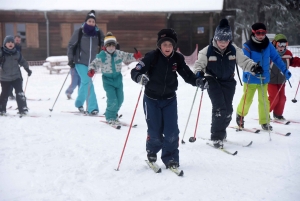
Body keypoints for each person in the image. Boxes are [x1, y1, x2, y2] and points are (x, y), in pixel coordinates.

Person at [131, 28, 199, 169]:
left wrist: (197, 81)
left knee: (172, 131)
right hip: (151, 99)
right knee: (155, 129)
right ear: (159, 45)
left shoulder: (177, 59)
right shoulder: (152, 57)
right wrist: (139, 77)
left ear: (174, 46)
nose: (167, 48)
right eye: (164, 45)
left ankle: (171, 157)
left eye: (170, 45)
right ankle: (152, 150)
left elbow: (187, 74)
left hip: (169, 100)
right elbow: (136, 71)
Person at [194, 18, 261, 148]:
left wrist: (253, 67)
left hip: (229, 82)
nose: (223, 43)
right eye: (220, 40)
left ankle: (221, 130)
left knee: (228, 110)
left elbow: (244, 61)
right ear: (215, 38)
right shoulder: (207, 51)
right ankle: (216, 136)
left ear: (229, 39)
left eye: (226, 40)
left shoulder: (234, 49)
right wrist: (199, 76)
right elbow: (199, 65)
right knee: (220, 108)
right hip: (212, 80)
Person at [236, 23, 292, 131]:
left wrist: (285, 70)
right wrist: (251, 71)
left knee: (264, 101)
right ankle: (240, 115)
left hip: (264, 78)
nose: (261, 35)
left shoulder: (268, 45)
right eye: (258, 33)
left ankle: (265, 121)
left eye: (263, 33)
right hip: (251, 78)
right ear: (253, 33)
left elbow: (276, 58)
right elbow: (245, 62)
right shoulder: (248, 46)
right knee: (247, 99)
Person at [88, 32, 142, 123]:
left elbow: (127, 56)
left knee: (120, 99)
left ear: (116, 45)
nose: (111, 47)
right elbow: (94, 63)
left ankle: (113, 113)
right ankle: (110, 116)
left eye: (113, 45)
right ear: (105, 46)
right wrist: (92, 70)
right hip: (107, 80)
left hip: (118, 79)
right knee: (112, 99)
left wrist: (135, 56)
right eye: (109, 45)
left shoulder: (119, 54)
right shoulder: (102, 55)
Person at [67, 10, 104, 114]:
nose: (91, 23)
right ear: (86, 22)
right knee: (88, 82)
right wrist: (70, 59)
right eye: (89, 21)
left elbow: (104, 43)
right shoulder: (79, 32)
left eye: (93, 21)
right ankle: (93, 108)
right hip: (80, 62)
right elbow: (71, 46)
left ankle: (78, 103)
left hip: (92, 63)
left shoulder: (98, 32)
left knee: (85, 82)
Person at [269, 33, 300, 120]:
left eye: (284, 45)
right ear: (275, 43)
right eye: (280, 44)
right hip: (270, 81)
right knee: (274, 97)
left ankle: (278, 114)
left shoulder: (288, 53)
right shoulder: (270, 53)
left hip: (282, 81)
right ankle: (265, 113)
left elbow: (293, 61)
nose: (282, 47)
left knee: (282, 98)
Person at [0, 35, 32, 116]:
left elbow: (23, 61)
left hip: (16, 77)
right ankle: (1, 109)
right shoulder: (1, 53)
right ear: (5, 44)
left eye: (12, 42)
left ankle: (23, 108)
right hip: (5, 77)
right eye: (8, 42)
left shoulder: (17, 53)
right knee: (4, 94)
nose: (10, 44)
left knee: (20, 92)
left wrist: (27, 69)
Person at [8, 35, 23, 100]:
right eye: (17, 40)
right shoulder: (10, 46)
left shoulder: (19, 47)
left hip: (16, 66)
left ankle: (19, 93)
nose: (18, 41)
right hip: (9, 67)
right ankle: (10, 94)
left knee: (20, 79)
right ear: (14, 40)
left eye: (19, 40)